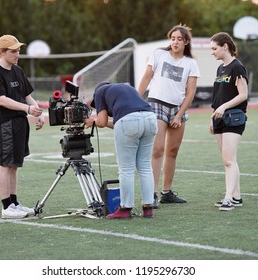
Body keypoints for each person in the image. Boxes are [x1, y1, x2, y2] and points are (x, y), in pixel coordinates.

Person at [137, 24, 200, 208]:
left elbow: (190, 93)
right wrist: (135, 99)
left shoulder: (191, 63)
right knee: (157, 149)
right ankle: (152, 194)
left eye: (179, 39)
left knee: (172, 151)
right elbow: (146, 78)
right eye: (173, 38)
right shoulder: (159, 54)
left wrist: (179, 115)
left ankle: (167, 192)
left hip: (178, 109)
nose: (175, 42)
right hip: (156, 104)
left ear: (186, 42)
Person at [0, 34, 45, 219]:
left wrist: (38, 111)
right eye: (13, 51)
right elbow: (2, 99)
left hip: (20, 122)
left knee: (14, 165)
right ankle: (6, 207)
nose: (17, 54)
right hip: (6, 123)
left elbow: (27, 95)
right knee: (5, 164)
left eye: (18, 50)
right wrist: (27, 108)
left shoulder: (18, 70)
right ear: (2, 52)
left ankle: (14, 203)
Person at [84, 83, 157, 219]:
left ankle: (125, 208)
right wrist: (99, 122)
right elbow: (120, 123)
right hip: (150, 118)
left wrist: (91, 122)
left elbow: (101, 121)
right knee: (145, 166)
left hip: (128, 122)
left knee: (126, 168)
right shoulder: (125, 88)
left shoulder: (99, 92)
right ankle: (148, 207)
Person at [209, 32, 248, 211]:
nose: (212, 52)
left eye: (214, 48)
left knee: (228, 160)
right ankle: (236, 197)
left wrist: (224, 107)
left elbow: (243, 95)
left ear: (225, 46)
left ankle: (228, 198)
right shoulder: (220, 69)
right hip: (219, 119)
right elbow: (218, 97)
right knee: (228, 160)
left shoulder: (237, 67)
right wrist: (213, 117)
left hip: (234, 118)